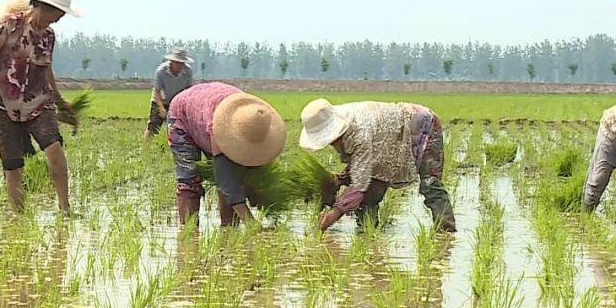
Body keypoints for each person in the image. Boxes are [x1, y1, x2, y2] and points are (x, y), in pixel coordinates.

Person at [0, 0, 82, 213]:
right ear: (44, 7)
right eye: (58, 12)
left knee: (54, 149)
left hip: (39, 102)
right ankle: (18, 216)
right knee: (12, 165)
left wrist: (60, 101)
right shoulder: (7, 25)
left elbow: (47, 68)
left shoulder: (49, 36)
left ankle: (65, 209)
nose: (60, 18)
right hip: (4, 105)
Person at [299, 98, 457, 233]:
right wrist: (337, 182)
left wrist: (334, 215)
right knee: (370, 192)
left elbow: (359, 184)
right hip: (387, 137)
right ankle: (367, 232)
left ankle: (446, 231)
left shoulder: (358, 132)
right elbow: (362, 166)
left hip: (422, 126)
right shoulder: (345, 127)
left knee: (430, 184)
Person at [166, 82, 286, 227]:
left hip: (209, 105)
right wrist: (251, 223)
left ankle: (228, 228)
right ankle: (189, 233)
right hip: (183, 115)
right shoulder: (221, 129)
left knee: (236, 173)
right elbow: (225, 181)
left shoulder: (253, 117)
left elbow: (240, 176)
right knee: (190, 178)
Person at [143, 47, 195, 140]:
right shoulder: (161, 71)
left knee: (177, 128)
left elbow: (188, 91)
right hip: (160, 101)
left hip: (177, 103)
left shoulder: (188, 71)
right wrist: (161, 108)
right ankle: (144, 148)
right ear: (171, 61)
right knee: (153, 126)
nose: (180, 66)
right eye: (177, 63)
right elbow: (157, 91)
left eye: (182, 63)